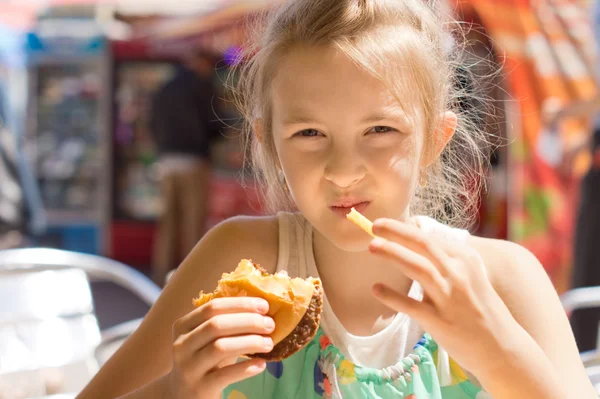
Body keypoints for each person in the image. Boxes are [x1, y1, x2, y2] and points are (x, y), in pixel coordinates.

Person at [78, 0, 595, 398]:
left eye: (380, 129)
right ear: (269, 142)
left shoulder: (503, 281)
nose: (344, 170)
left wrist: (500, 352)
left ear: (435, 140)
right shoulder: (236, 260)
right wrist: (174, 389)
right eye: (309, 134)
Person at [149, 49, 224, 286]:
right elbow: (215, 123)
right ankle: (190, 278)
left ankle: (161, 275)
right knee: (193, 221)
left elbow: (151, 122)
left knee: (168, 223)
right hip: (194, 160)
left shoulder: (166, 87)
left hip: (167, 161)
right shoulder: (202, 86)